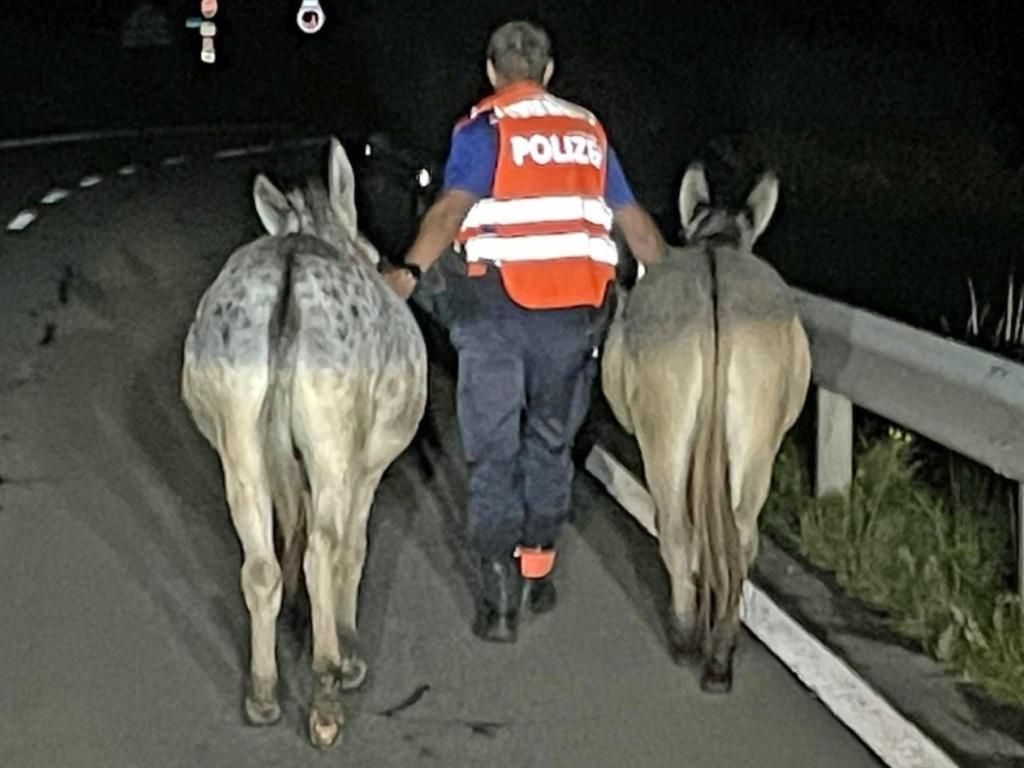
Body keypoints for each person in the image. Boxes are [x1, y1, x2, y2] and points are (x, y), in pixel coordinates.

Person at [385, 19, 666, 643]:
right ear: (548, 70)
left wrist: (406, 271)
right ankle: (537, 568)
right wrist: (672, 284)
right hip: (572, 320)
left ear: (491, 71)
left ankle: (497, 600)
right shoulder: (587, 131)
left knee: (492, 450)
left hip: (494, 316)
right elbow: (636, 226)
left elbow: (450, 211)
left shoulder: (484, 130)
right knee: (548, 444)